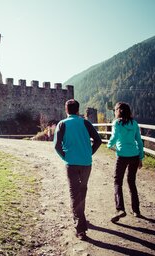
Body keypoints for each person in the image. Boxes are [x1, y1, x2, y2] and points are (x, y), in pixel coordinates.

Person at [49, 99, 102, 240]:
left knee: (74, 193)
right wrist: (89, 153)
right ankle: (81, 218)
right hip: (86, 163)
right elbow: (98, 140)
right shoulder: (85, 122)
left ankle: (80, 229)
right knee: (82, 190)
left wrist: (65, 156)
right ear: (78, 110)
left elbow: (56, 145)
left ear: (66, 110)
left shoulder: (62, 124)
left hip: (71, 163)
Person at [107, 102, 144, 223]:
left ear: (118, 111)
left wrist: (108, 145)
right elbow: (139, 141)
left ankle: (120, 209)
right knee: (131, 182)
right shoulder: (134, 123)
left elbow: (114, 137)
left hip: (122, 155)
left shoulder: (117, 123)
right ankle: (136, 210)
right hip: (134, 155)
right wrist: (140, 157)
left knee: (118, 182)